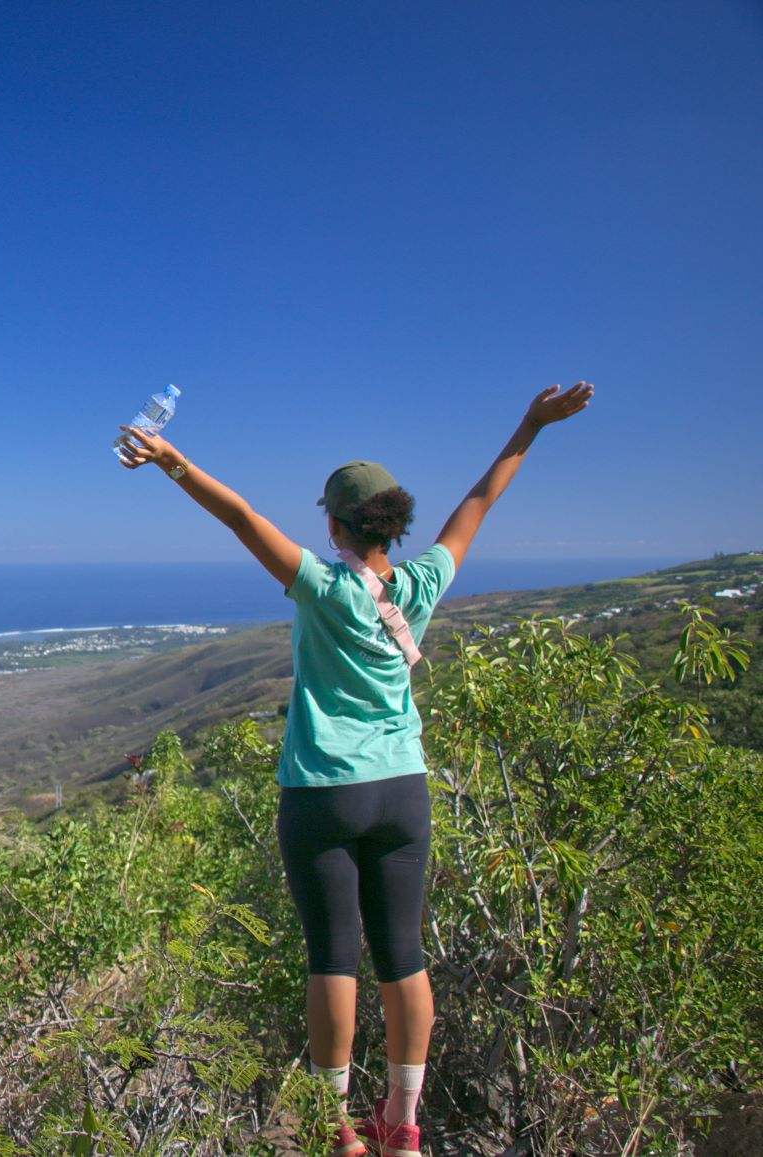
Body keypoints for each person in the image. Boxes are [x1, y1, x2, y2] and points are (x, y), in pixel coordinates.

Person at [117, 382, 594, 1157]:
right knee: (402, 954)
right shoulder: (423, 583)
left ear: (334, 522)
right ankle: (402, 1121)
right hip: (402, 791)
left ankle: (335, 1127)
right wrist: (532, 423)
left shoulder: (323, 585)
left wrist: (172, 459)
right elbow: (479, 499)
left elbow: (241, 517)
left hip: (322, 793)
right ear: (397, 524)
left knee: (333, 955)